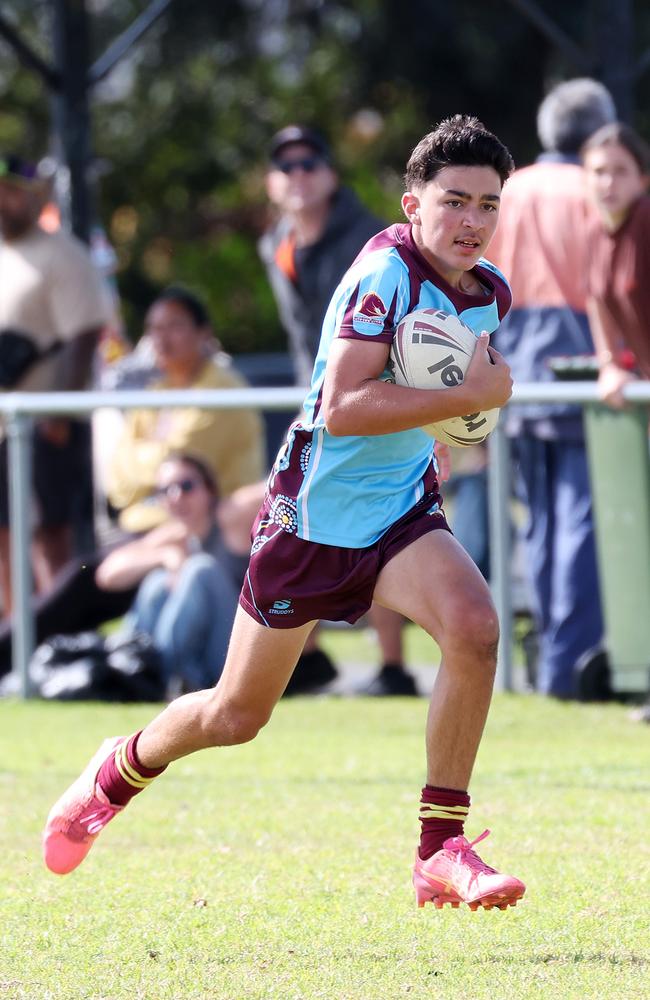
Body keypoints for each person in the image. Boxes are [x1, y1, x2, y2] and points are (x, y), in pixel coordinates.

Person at [43, 115, 526, 912]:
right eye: (454, 202)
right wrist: (468, 398)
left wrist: (453, 430)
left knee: (474, 629)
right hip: (312, 522)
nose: (472, 221)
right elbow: (341, 408)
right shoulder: (385, 275)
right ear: (413, 205)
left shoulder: (490, 294)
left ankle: (440, 848)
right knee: (236, 715)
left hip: (399, 513)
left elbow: (441, 406)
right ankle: (115, 770)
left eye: (487, 205)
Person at [260, 123, 417, 696]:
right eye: (286, 166)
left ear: (329, 174)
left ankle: (394, 667)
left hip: (375, 401)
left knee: (375, 526)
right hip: (322, 406)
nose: (298, 175)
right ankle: (311, 655)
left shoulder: (365, 241)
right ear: (271, 182)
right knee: (303, 524)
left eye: (309, 163)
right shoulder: (275, 243)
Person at [488, 78, 616, 699]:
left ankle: (545, 655)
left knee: (537, 522)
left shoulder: (510, 191)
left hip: (514, 368)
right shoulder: (596, 188)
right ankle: (570, 664)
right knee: (583, 520)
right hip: (583, 364)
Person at [0, 154, 112, 615]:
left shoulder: (62, 253)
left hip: (45, 422)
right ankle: (11, 642)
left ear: (31, 196)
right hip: (6, 421)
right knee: (4, 532)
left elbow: (83, 337)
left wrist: (59, 414)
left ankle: (59, 634)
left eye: (10, 190)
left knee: (51, 532)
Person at [103, 286, 266, 534]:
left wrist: (139, 460)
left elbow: (184, 465)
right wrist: (154, 459)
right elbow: (117, 480)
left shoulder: (223, 390)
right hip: (151, 527)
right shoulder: (156, 392)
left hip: (217, 532)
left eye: (174, 326)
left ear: (204, 334)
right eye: (155, 329)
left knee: (106, 573)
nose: (162, 339)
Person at [97, 454, 254, 696]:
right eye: (165, 490)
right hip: (199, 664)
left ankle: (169, 676)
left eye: (187, 486)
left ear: (209, 490)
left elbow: (279, 483)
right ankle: (138, 671)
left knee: (200, 569)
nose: (176, 496)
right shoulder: (175, 536)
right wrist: (165, 557)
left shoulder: (230, 519)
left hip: (237, 659)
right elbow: (107, 574)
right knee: (156, 582)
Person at [581, 123, 650, 398]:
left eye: (621, 171)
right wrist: (609, 365)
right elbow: (596, 298)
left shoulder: (645, 218)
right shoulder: (594, 230)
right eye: (598, 172)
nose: (608, 183)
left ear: (643, 178)